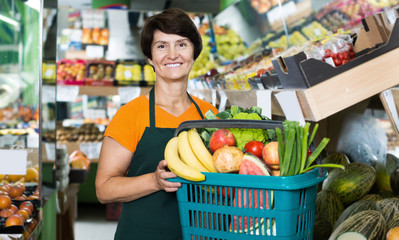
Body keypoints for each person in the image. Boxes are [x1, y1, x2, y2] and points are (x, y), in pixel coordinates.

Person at [95, 8, 218, 240]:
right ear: (150, 58)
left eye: (182, 44)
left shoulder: (209, 114)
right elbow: (103, 189)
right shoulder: (130, 114)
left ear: (194, 52)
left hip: (201, 234)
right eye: (162, 46)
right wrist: (154, 181)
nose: (173, 55)